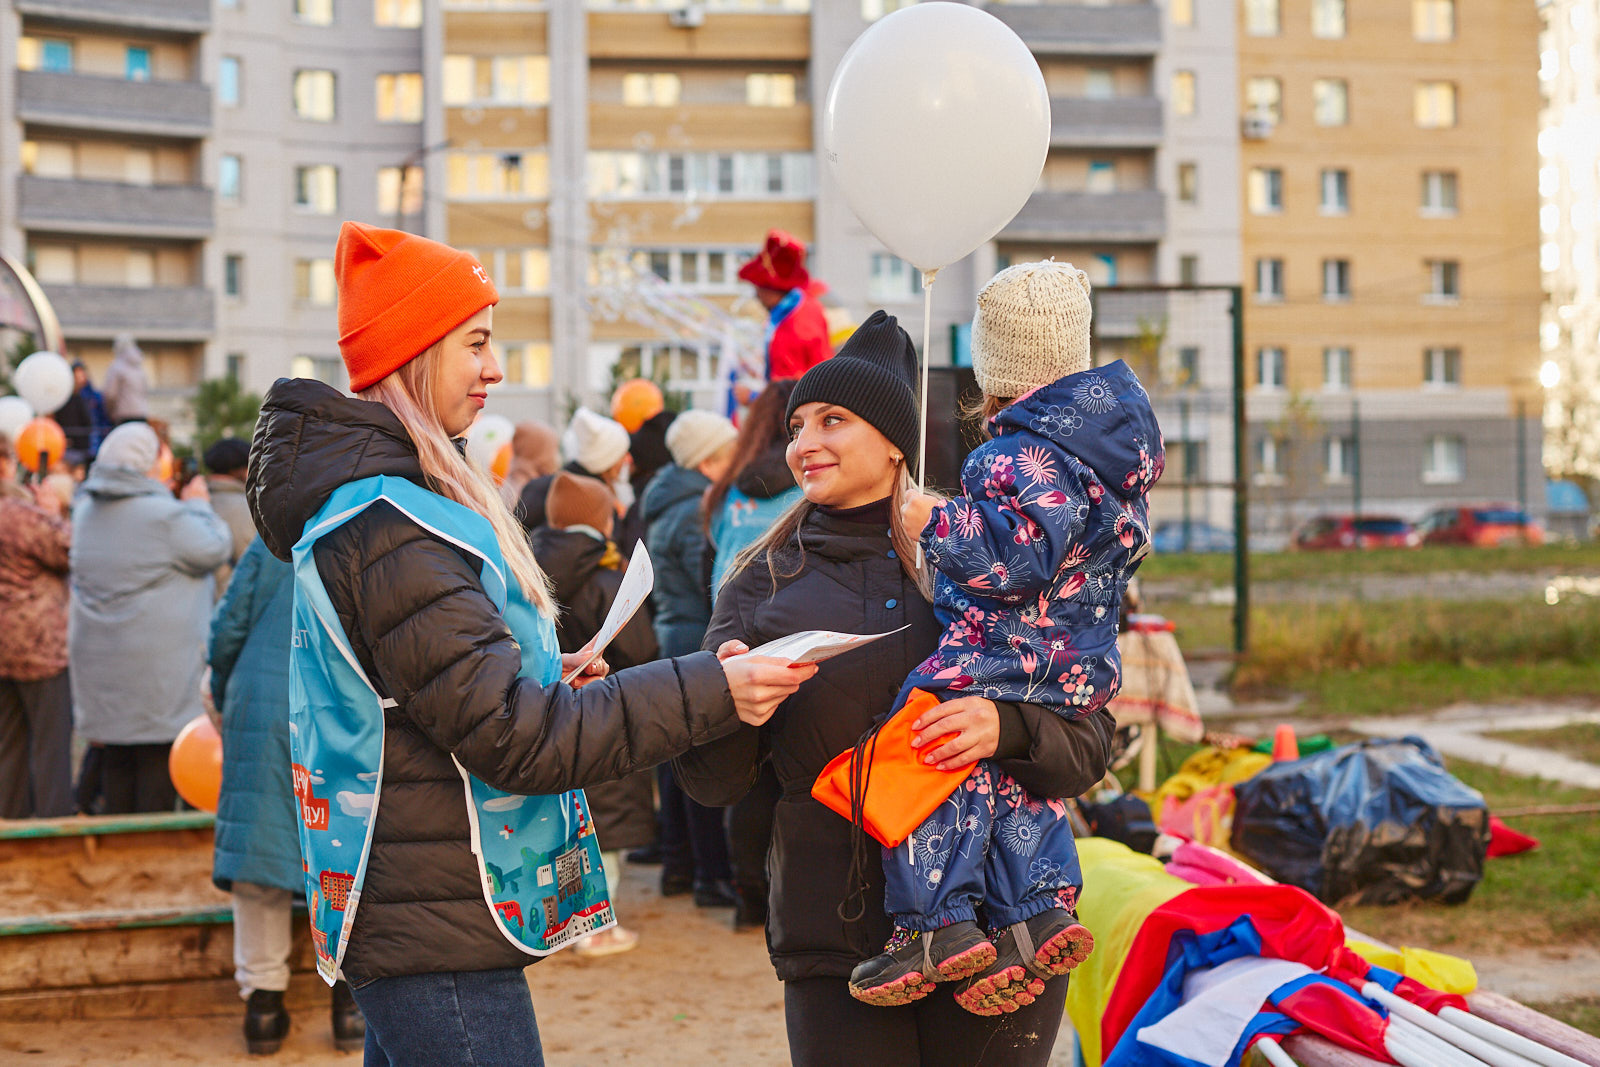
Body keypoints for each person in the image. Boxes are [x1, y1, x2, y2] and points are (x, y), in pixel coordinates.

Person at [245, 221, 810, 1067]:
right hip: (434, 927)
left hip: (417, 912)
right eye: (475, 342)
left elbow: (448, 699)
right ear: (416, 351)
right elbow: (515, 735)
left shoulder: (388, 510)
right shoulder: (396, 527)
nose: (495, 368)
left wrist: (544, 669)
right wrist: (710, 690)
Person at [674, 310, 1116, 1067]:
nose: (804, 443)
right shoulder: (762, 581)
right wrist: (724, 706)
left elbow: (1088, 745)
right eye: (797, 425)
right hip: (838, 944)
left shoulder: (987, 567)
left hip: (995, 937)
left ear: (893, 440)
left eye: (832, 420)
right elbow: (712, 784)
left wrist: (1004, 729)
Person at [848, 262, 1164, 1015]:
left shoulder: (1013, 455)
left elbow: (1015, 560)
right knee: (1010, 776)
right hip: (1075, 663)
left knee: (930, 739)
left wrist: (938, 522)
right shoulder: (1113, 462)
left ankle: (935, 922)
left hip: (1007, 649)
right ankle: (1037, 909)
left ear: (996, 364)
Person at [209, 537, 366, 1054]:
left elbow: (229, 626)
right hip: (345, 703)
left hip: (263, 696)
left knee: (259, 858)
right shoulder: (370, 528)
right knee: (346, 854)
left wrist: (229, 691)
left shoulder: (273, 536)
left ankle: (264, 1008)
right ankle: (349, 1007)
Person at [529, 471, 660, 958]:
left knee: (559, 821)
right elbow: (641, 647)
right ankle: (595, 929)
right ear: (601, 520)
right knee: (608, 820)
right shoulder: (609, 577)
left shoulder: (525, 567)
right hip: (604, 712)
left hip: (539, 713)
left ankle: (560, 922)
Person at [69, 422, 231, 813]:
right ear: (147, 463)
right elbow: (215, 547)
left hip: (103, 680)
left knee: (118, 776)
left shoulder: (84, 510)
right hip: (157, 684)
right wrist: (196, 503)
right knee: (156, 786)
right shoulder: (165, 517)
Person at [700, 378, 802, 929]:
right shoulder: (806, 486)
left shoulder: (728, 492)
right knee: (789, 774)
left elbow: (713, 563)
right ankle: (780, 895)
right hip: (789, 636)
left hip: (729, 637)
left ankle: (746, 895)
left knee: (747, 773)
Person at [641, 410, 741, 909]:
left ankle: (680, 863)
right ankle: (711, 875)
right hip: (694, 637)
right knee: (702, 758)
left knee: (674, 754)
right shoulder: (693, 511)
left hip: (672, 633)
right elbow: (712, 583)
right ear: (707, 461)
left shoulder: (666, 501)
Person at [0, 433, 75, 818]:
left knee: (8, 747)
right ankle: (53, 831)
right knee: (50, 746)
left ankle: (9, 831)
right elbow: (68, 549)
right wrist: (53, 511)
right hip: (36, 644)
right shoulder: (18, 514)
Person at [517, 407, 640, 549]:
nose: (627, 460)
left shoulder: (539, 486)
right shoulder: (597, 501)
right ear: (608, 460)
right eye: (622, 454)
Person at [737, 231, 833, 398]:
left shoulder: (793, 325)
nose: (756, 295)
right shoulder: (802, 308)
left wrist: (753, 397)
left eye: (758, 287)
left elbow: (790, 392)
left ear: (769, 288)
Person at [203, 437, 257, 598]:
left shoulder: (192, 502)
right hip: (231, 602)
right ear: (241, 470)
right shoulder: (247, 508)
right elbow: (252, 564)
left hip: (198, 604)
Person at [54, 361, 111, 462]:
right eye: (77, 375)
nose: (80, 378)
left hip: (89, 441)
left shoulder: (91, 395)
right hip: (74, 444)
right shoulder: (65, 398)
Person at [501, 420, 559, 508]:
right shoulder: (528, 491)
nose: (556, 458)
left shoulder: (511, 481)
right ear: (538, 451)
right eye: (552, 451)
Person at [100, 332, 150, 425]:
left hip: (123, 415)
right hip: (142, 414)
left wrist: (110, 412)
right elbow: (145, 390)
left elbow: (110, 395)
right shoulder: (140, 367)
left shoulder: (116, 367)